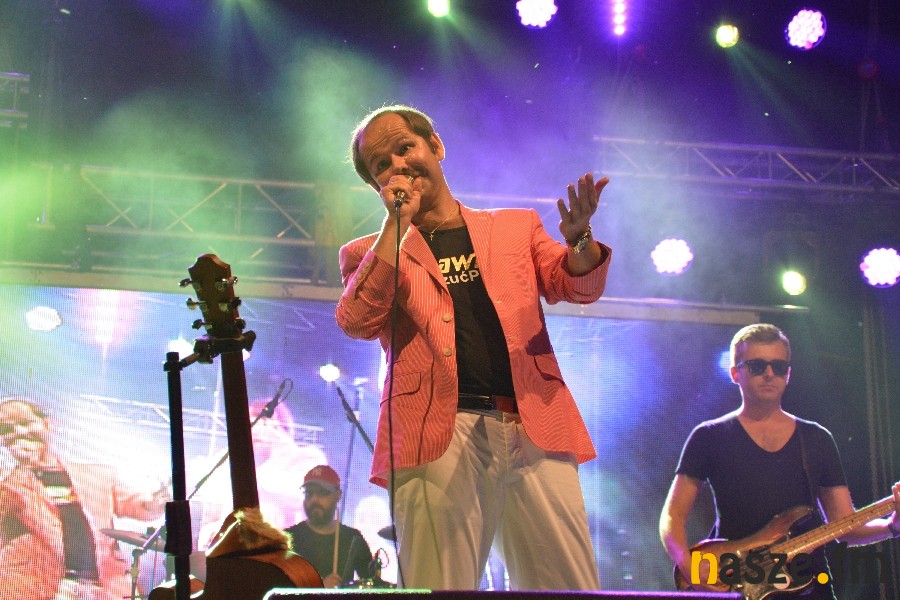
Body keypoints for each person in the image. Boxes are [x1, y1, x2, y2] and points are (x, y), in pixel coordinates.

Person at [335, 104, 612, 590]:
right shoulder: (368, 253)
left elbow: (577, 285)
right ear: (375, 184)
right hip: (433, 436)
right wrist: (395, 228)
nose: (398, 164)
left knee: (569, 588)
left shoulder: (513, 228)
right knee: (441, 586)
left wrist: (580, 240)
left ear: (435, 147)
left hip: (533, 427)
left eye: (405, 147)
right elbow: (356, 320)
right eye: (382, 164)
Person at [659, 323, 900, 599]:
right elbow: (672, 516)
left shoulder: (816, 438)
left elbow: (844, 526)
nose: (769, 374)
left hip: (807, 587)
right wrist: (688, 565)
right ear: (735, 373)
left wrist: (892, 526)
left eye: (779, 366)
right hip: (735, 584)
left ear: (788, 374)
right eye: (757, 366)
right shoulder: (708, 436)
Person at [0, 397, 168, 600]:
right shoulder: (8, 484)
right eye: (6, 429)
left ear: (47, 424)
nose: (19, 432)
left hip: (104, 585)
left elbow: (139, 507)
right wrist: (24, 468)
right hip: (38, 587)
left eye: (26, 423)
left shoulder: (95, 475)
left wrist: (154, 503)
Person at [284, 465, 373, 588]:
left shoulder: (352, 538)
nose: (314, 500)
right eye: (309, 493)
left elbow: (372, 585)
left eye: (322, 493)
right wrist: (320, 588)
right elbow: (278, 586)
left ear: (338, 495)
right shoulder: (287, 539)